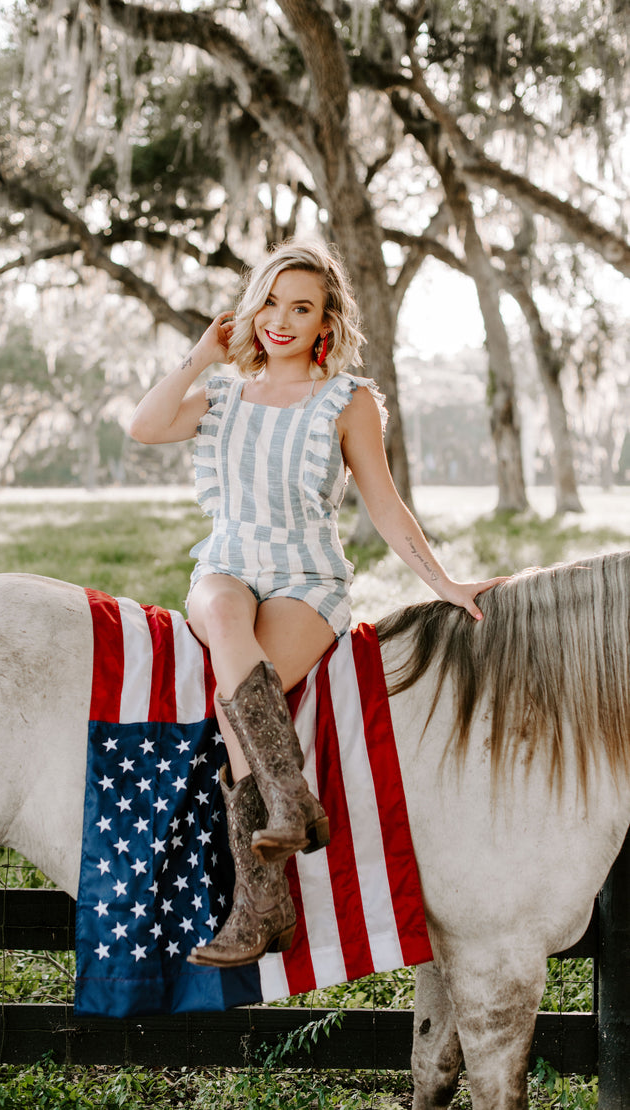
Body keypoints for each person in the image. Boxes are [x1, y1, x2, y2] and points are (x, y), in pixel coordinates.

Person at [129, 240, 505, 968]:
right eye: (269, 301)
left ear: (325, 320)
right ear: (249, 308)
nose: (280, 319)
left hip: (307, 579)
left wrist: (446, 584)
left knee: (239, 707)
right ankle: (290, 799)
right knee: (225, 618)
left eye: (300, 307)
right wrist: (202, 354)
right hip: (226, 566)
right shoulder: (222, 395)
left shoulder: (347, 400)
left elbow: (388, 509)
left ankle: (261, 906)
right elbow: (143, 426)